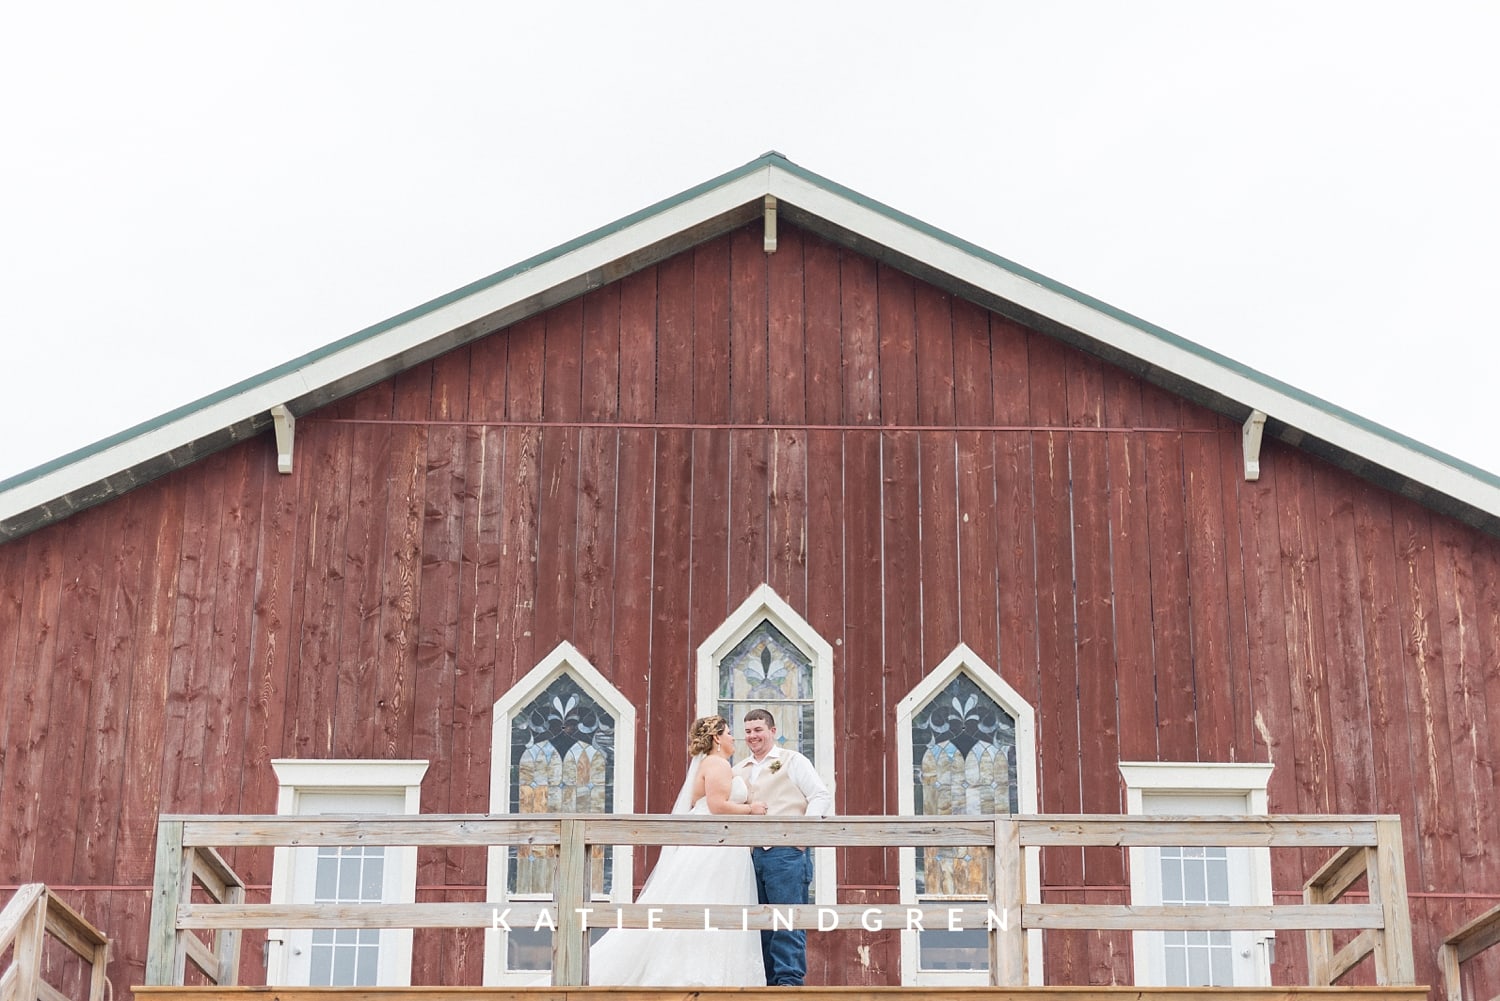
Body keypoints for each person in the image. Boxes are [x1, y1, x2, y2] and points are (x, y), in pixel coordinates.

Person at [586, 714, 768, 986]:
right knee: (710, 902)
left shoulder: (714, 763)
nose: (734, 738)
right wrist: (751, 809)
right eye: (729, 732)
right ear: (717, 738)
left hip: (722, 848)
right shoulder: (717, 763)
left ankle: (713, 973)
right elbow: (717, 806)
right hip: (716, 849)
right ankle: (697, 975)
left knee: (712, 904)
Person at [735, 707, 832, 987]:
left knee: (787, 918)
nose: (753, 736)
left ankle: (789, 981)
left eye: (758, 730)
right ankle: (767, 981)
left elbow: (820, 795)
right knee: (760, 921)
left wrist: (801, 836)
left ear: (773, 731)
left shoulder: (793, 760)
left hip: (786, 852)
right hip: (750, 855)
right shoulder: (738, 769)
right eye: (748, 732)